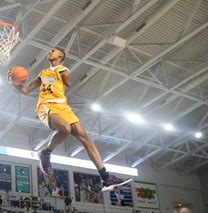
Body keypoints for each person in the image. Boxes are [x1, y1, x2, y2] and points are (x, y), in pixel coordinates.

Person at [10, 47, 132, 192]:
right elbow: (26, 91)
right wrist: (13, 82)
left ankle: (106, 178)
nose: (50, 52)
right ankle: (46, 152)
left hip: (63, 107)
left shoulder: (63, 70)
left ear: (60, 56)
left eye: (53, 51)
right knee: (65, 128)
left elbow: (68, 82)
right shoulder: (43, 73)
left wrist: (61, 72)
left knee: (86, 139)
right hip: (46, 106)